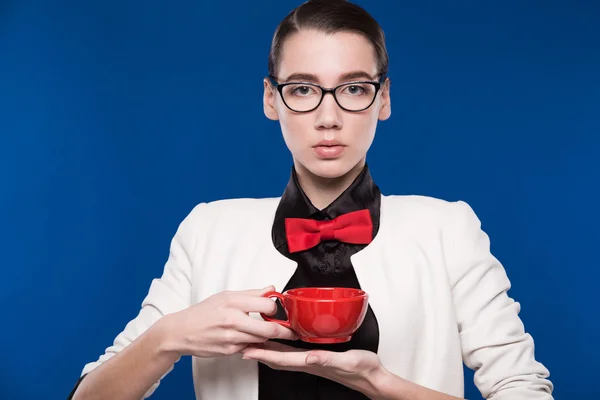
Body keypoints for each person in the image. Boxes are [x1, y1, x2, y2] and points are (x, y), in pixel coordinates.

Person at [69, 0, 554, 399]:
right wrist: (168, 338)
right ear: (271, 99)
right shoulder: (208, 230)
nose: (328, 116)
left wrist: (380, 383)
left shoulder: (447, 228)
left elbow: (525, 391)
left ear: (383, 99)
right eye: (303, 89)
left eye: (353, 88)